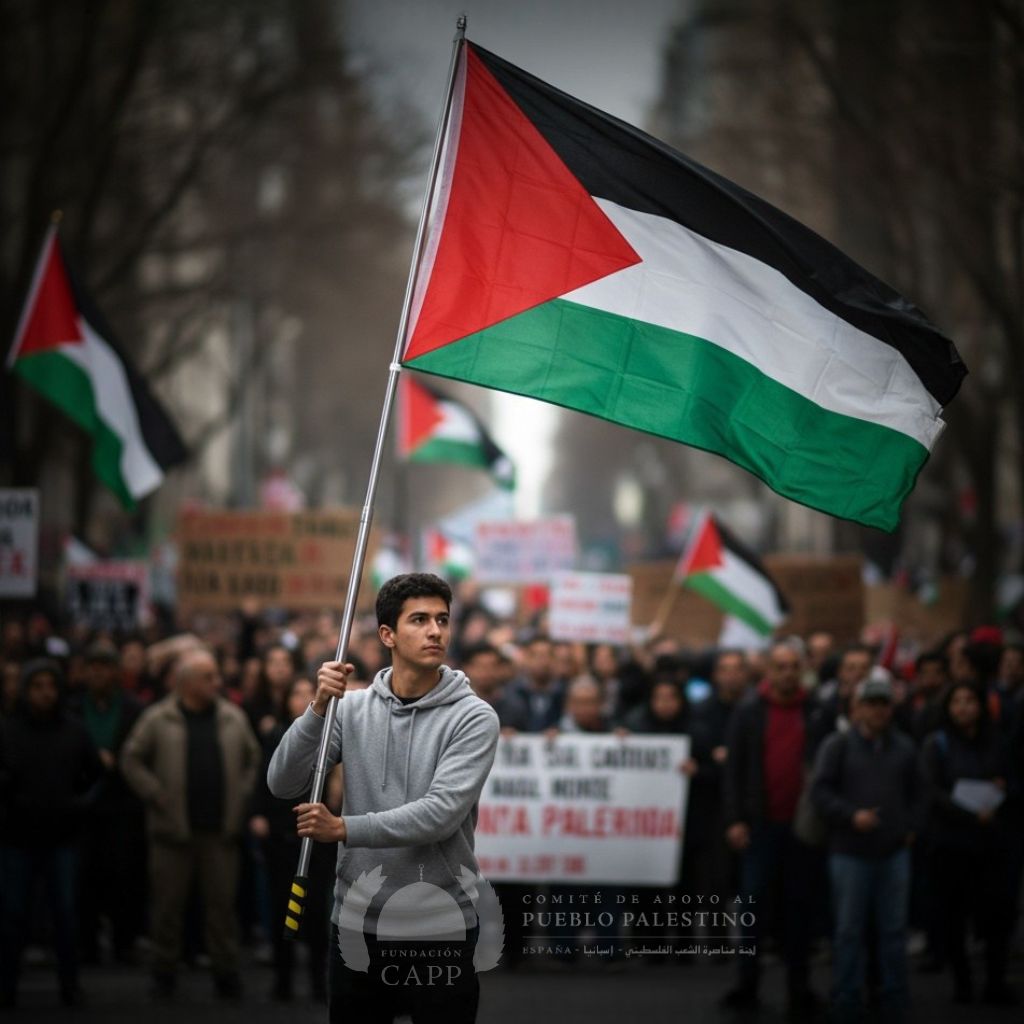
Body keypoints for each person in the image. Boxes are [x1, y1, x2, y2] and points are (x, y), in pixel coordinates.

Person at [267, 573, 500, 1024]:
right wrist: (317, 709)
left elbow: (440, 815)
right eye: (419, 620)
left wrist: (344, 828)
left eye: (442, 619)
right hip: (356, 924)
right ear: (387, 634)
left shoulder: (474, 716)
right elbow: (282, 781)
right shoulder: (350, 709)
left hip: (441, 926)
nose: (436, 631)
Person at [121, 648, 261, 999]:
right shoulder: (159, 718)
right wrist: (155, 792)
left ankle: (225, 972)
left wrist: (241, 795)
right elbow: (131, 759)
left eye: (216, 675)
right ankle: (164, 972)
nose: (217, 682)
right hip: (172, 833)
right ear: (185, 683)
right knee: (168, 908)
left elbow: (252, 759)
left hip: (219, 831)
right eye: (208, 677)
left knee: (221, 908)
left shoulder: (231, 717)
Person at [811, 676, 923, 1024]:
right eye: (870, 703)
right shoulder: (838, 745)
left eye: (883, 704)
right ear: (857, 708)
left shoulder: (905, 748)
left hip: (893, 853)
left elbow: (920, 793)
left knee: (892, 931)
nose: (877, 710)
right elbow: (820, 793)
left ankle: (894, 997)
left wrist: (910, 829)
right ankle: (847, 998)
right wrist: (850, 816)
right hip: (849, 852)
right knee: (848, 931)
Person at [721, 641, 821, 1017]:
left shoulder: (814, 711)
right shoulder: (748, 713)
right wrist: (735, 819)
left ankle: (800, 989)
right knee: (751, 910)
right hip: (760, 826)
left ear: (802, 670)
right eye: (780, 666)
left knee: (799, 912)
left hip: (803, 829)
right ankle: (746, 986)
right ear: (769, 671)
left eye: (794, 666)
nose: (787, 673)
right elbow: (734, 771)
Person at [0, 659, 103, 1007]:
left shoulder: (73, 730)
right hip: (17, 838)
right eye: (37, 686)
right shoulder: (8, 730)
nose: (45, 693)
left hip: (63, 838)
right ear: (25, 690)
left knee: (65, 916)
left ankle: (69, 985)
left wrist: (80, 805)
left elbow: (95, 774)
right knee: (13, 916)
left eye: (51, 686)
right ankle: (7, 984)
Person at [919, 681, 1016, 1005]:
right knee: (953, 917)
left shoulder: (997, 742)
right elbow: (932, 791)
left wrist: (1002, 791)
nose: (963, 707)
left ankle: (995, 982)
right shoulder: (939, 744)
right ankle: (963, 983)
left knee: (996, 917)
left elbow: (1013, 780)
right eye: (956, 701)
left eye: (969, 700)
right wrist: (969, 812)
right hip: (952, 844)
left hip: (991, 845)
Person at [249, 677, 333, 1002]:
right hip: (281, 835)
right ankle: (282, 980)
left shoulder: (330, 735)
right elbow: (262, 777)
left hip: (318, 836)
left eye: (306, 693)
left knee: (315, 913)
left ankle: (316, 980)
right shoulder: (276, 735)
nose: (301, 699)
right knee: (281, 909)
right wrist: (257, 814)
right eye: (295, 693)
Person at [74, 641, 146, 965]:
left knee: (123, 876)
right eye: (93, 667)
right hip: (83, 806)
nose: (99, 674)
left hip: (122, 804)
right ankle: (87, 943)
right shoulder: (74, 708)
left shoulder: (131, 708)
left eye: (105, 667)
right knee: (86, 878)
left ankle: (123, 941)